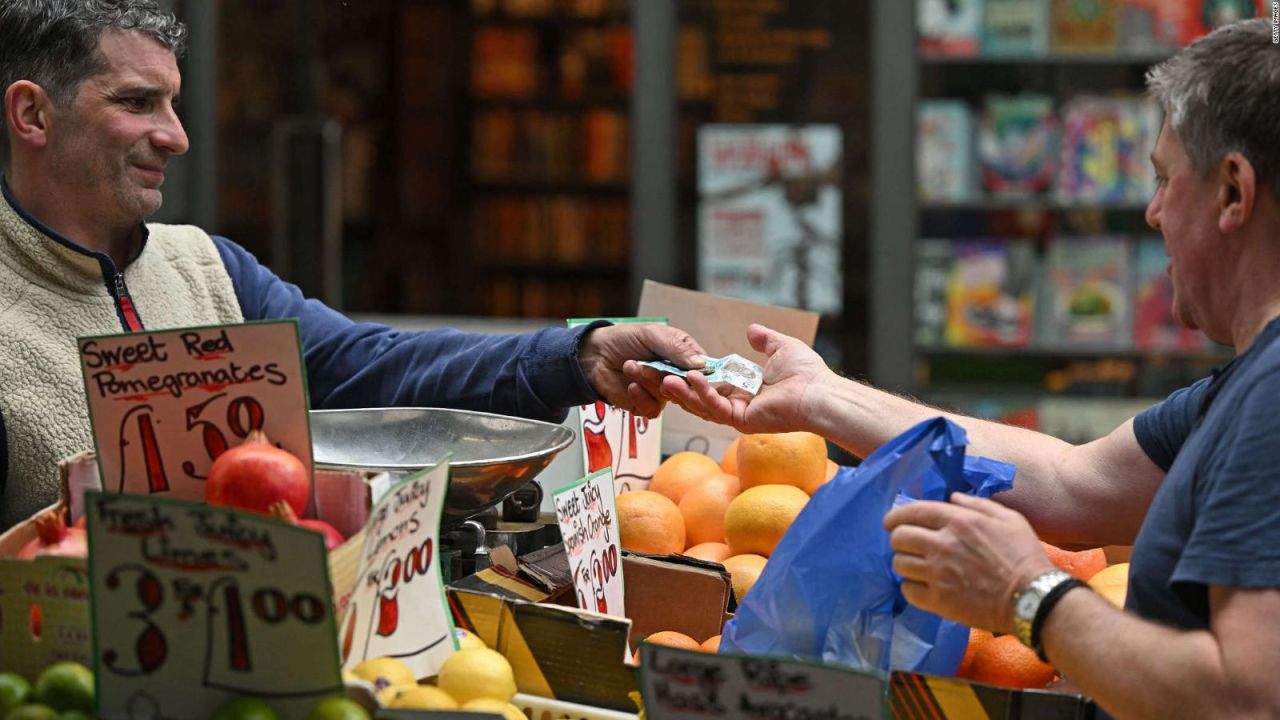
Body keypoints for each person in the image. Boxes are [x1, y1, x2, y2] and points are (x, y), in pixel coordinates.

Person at [655, 19, 1280, 720]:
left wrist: (1027, 593)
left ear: (1233, 192)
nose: (1151, 211)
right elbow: (1072, 484)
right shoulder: (1245, 387)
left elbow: (1248, 699)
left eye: (1167, 179)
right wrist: (820, 396)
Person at [0, 0, 705, 532]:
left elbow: (374, 366)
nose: (177, 137)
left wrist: (577, 358)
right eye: (136, 102)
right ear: (32, 114)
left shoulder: (209, 267)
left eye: (174, 104)